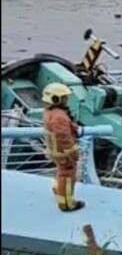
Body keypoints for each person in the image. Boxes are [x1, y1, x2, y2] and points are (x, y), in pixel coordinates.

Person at [41, 82, 85, 212]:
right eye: (64, 98)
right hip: (63, 153)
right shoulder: (59, 116)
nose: (66, 100)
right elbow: (64, 137)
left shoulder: (50, 113)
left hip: (55, 151)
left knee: (61, 172)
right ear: (57, 99)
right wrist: (73, 153)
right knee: (67, 176)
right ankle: (66, 203)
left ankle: (57, 188)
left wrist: (73, 126)